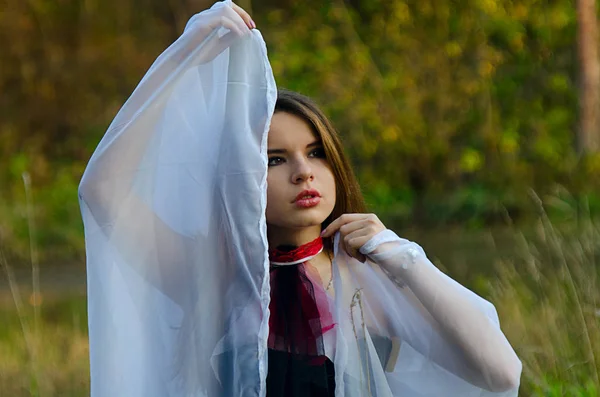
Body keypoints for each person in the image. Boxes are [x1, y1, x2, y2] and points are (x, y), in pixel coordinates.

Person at [78, 1, 522, 396]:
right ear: (239, 178)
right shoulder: (215, 275)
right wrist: (186, 58)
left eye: (315, 153)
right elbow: (102, 191)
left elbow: (501, 374)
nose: (304, 171)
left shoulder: (367, 277)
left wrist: (401, 255)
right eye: (274, 160)